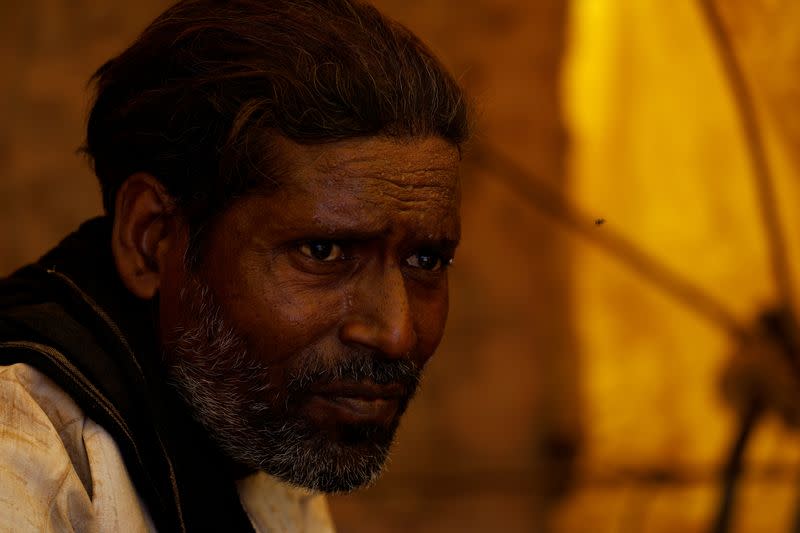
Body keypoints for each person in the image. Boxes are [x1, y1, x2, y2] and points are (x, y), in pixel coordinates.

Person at [0, 0, 470, 531]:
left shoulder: (256, 429)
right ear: (151, 236)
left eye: (426, 260)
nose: (397, 332)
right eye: (323, 253)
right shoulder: (19, 454)